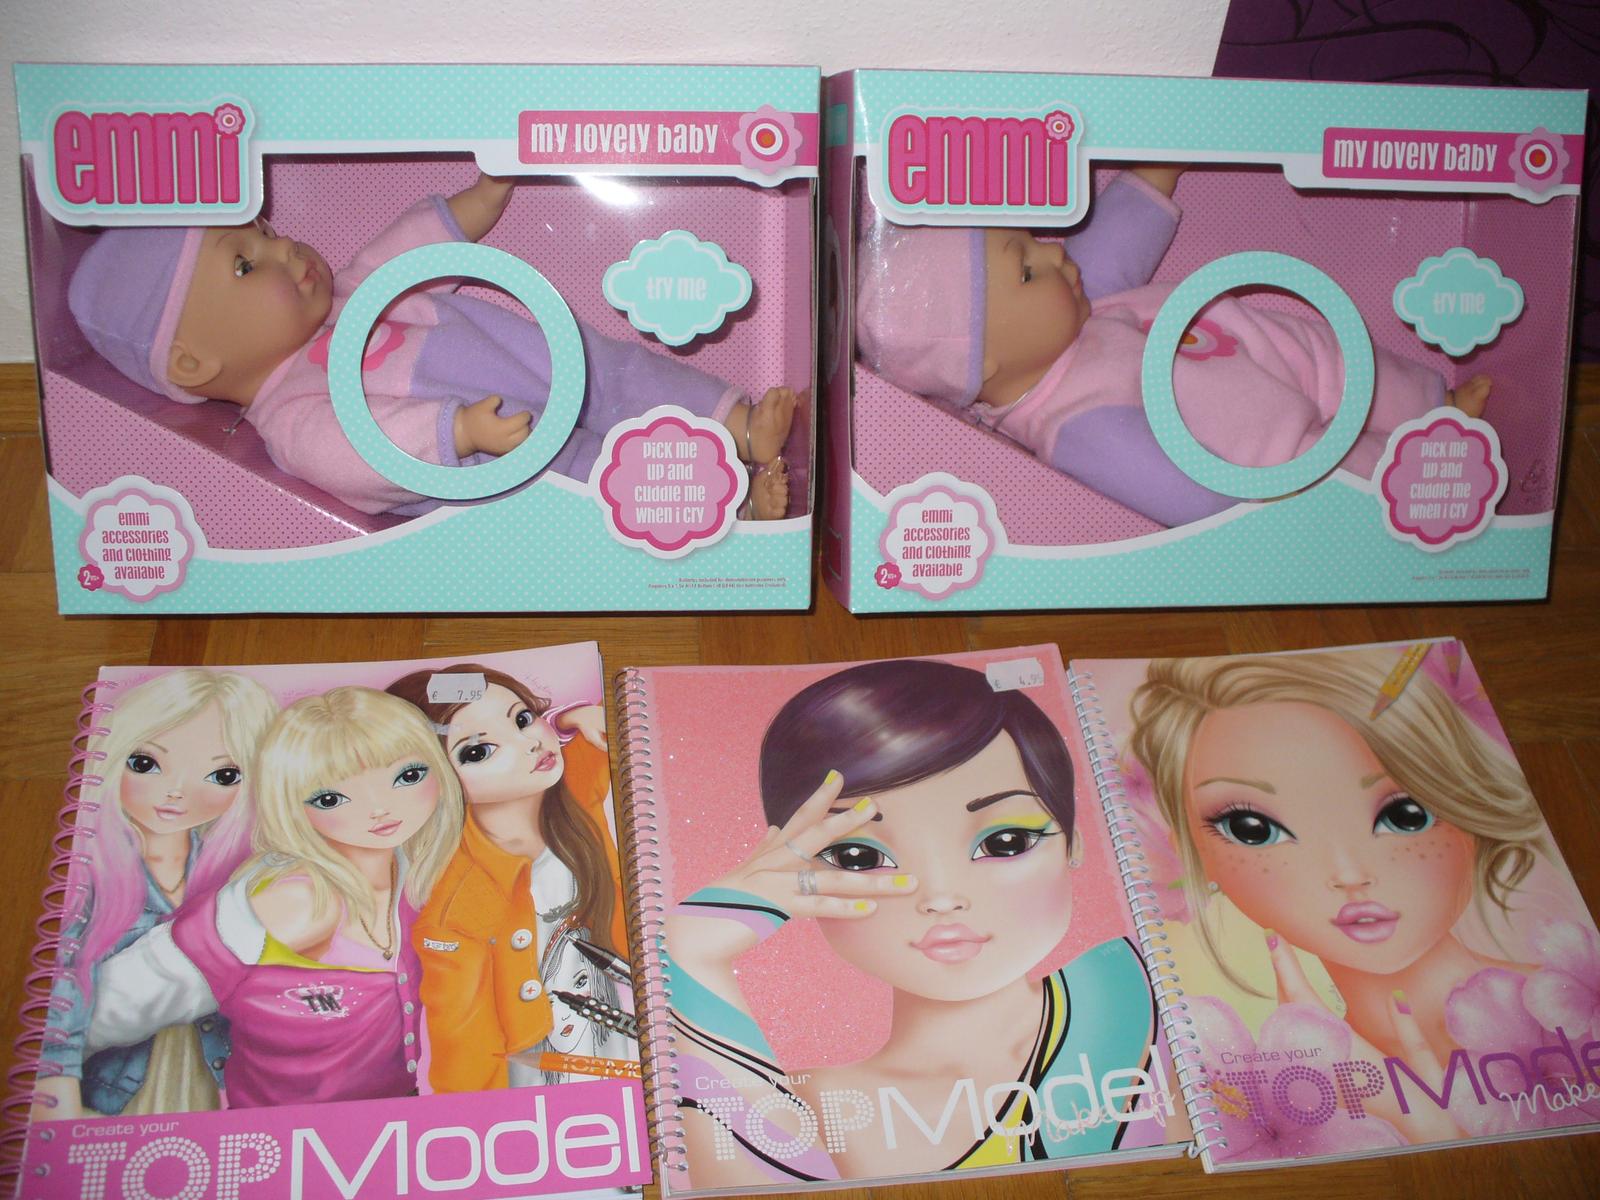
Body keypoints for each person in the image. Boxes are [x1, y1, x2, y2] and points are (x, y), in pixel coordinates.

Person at [664, 659, 1157, 1185]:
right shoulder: (812, 1111)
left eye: (1005, 841)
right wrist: (692, 951)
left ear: (1073, 840)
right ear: (796, 872)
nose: (941, 897)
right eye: (858, 857)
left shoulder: (1143, 985)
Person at [68, 174, 795, 518]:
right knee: (606, 485)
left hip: (556, 360)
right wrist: (454, 432)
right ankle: (730, 514)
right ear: (192, 361)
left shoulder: (350, 293)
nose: (283, 246)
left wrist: (483, 195)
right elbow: (351, 455)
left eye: (266, 232)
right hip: (509, 464)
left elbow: (410, 248)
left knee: (627, 372)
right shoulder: (290, 412)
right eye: (245, 263)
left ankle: (737, 426)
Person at [1125, 646, 1598, 1145]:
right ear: (1192, 851)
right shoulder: (1220, 1093)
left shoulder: (1578, 1012)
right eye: (1253, 828)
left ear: (1467, 801)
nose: (1348, 874)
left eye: (1404, 815)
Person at [855, 168, 1491, 527]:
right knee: (1341, 473)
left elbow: (1115, 243)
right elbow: (1181, 496)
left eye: (1030, 240)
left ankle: (1436, 407)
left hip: (1272, 355)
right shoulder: (1074, 425)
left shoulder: (1078, 311)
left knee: (1337, 355)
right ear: (985, 361)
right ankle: (1439, 468)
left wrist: (1157, 169)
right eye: (1026, 269)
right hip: (1275, 463)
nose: (1052, 253)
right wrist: (1255, 513)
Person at [76, 687, 462, 1108]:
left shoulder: (418, 872)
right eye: (330, 798)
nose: (379, 809)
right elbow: (101, 1011)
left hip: (405, 1125)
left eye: (408, 776)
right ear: (291, 804)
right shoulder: (289, 903)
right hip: (279, 1135)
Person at [34, 668, 277, 1120]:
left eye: (223, 774)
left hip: (220, 1080)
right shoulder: (90, 873)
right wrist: (56, 1089)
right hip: (114, 1091)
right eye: (145, 763)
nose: (176, 792)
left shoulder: (236, 872)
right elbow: (61, 990)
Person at [387, 665, 630, 1093]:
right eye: (478, 751)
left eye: (522, 718)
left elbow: (613, 721)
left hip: (618, 1026)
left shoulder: (572, 785)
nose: (530, 742)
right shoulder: (456, 903)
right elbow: (463, 1043)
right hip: (536, 1073)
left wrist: (565, 718)